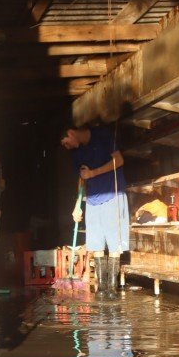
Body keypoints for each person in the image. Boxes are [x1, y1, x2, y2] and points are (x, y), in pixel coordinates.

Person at [61, 124, 129, 299]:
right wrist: (77, 204)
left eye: (66, 142)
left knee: (114, 244)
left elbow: (119, 160)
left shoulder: (103, 135)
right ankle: (102, 289)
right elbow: (82, 177)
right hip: (91, 199)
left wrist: (94, 173)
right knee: (97, 244)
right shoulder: (76, 153)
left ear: (71, 132)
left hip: (112, 194)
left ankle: (112, 289)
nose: (66, 147)